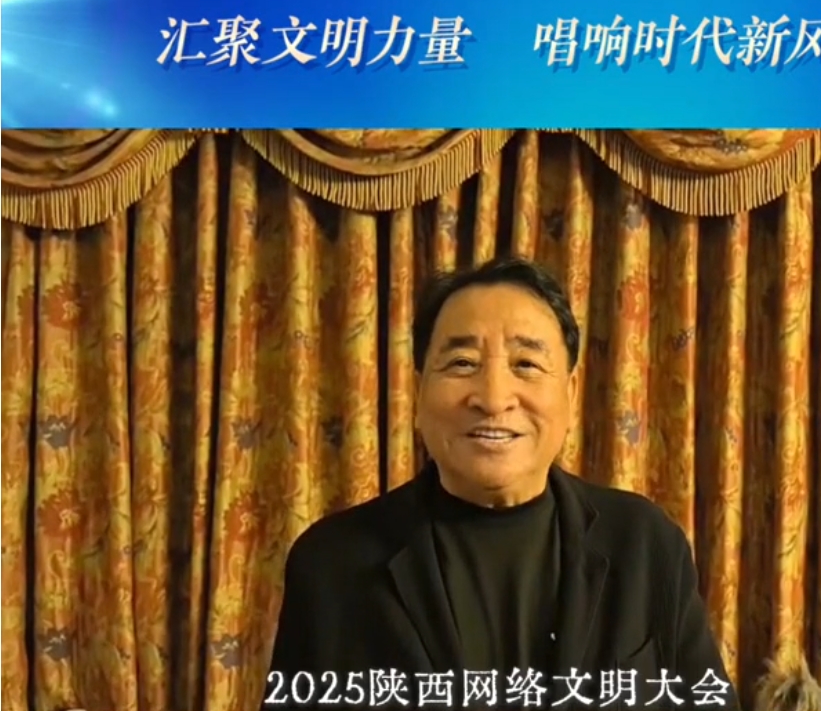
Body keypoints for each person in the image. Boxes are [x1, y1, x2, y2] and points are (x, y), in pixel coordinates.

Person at [264, 257, 740, 710]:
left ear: (570, 393)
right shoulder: (333, 565)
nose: (493, 399)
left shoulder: (645, 545)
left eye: (526, 364)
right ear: (419, 392)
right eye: (462, 363)